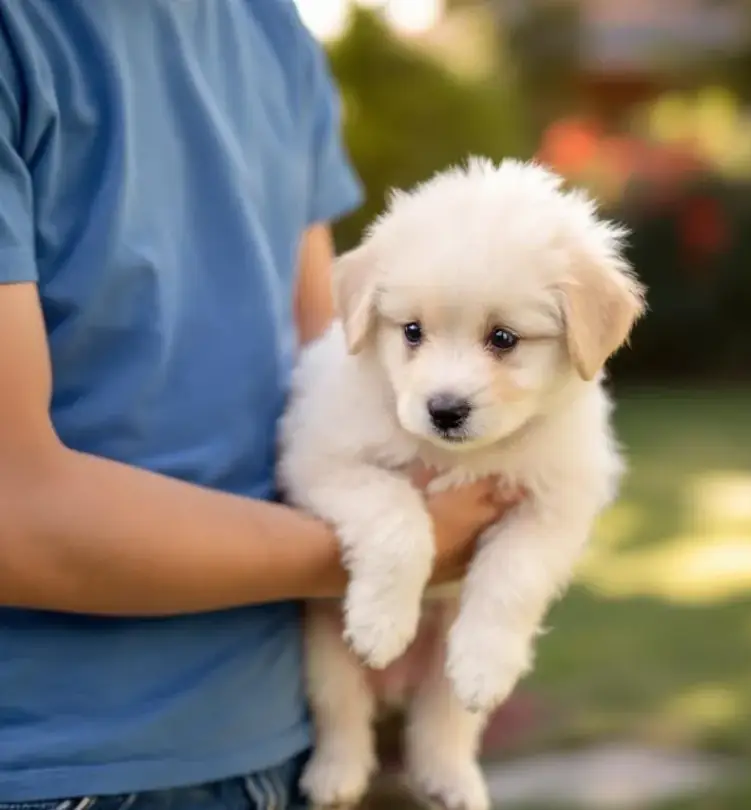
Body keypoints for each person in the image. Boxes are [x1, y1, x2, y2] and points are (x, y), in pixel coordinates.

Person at [0, 2, 518, 808]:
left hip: (277, 742)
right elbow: (12, 511)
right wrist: (389, 549)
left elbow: (330, 370)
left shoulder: (270, 29)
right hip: (55, 762)